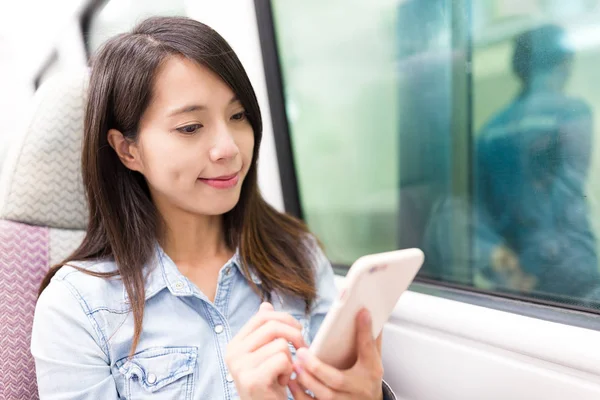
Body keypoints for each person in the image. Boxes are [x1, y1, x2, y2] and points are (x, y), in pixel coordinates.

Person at [31, 16, 393, 400]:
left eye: (238, 117)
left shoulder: (296, 256)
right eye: (190, 127)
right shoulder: (76, 308)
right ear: (128, 149)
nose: (229, 149)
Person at [474, 24, 599, 298]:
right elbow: (567, 196)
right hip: (572, 271)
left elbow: (480, 212)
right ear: (564, 63)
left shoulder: (489, 131)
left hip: (516, 275)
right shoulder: (572, 113)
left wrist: (505, 262)